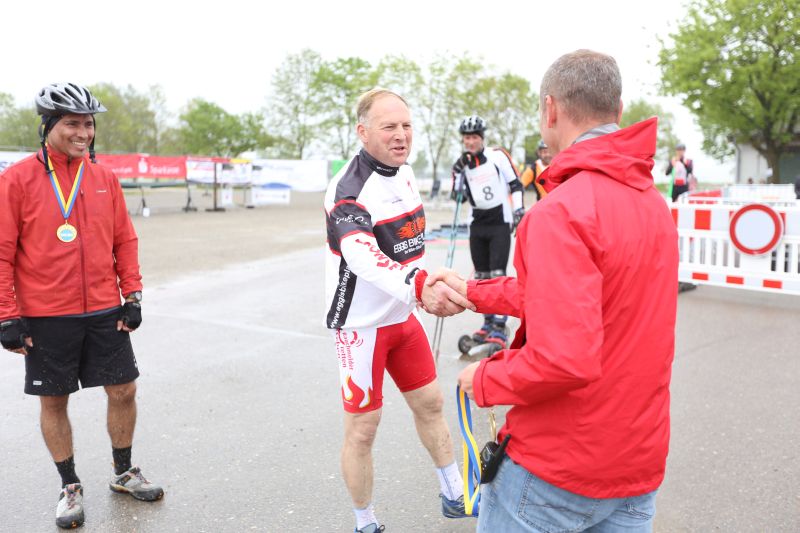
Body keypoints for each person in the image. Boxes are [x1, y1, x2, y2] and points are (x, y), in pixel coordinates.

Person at [426, 50, 679, 531]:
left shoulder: (560, 211)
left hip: (557, 468)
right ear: (618, 110)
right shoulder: (653, 205)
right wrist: (475, 291)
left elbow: (565, 358)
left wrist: (485, 380)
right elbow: (574, 299)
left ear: (550, 110)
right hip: (637, 463)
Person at [0, 83, 163, 530]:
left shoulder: (104, 178)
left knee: (124, 390)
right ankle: (69, 485)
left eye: (88, 124)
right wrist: (7, 315)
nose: (83, 133)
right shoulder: (16, 180)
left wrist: (132, 295)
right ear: (48, 126)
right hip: (46, 314)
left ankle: (123, 472)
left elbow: (124, 240)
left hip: (104, 309)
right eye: (72, 123)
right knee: (54, 400)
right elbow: (2, 253)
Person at [324, 88, 476, 533]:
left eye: (406, 125)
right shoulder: (348, 189)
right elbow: (362, 255)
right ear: (363, 131)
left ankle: (454, 494)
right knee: (363, 428)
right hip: (361, 326)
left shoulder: (404, 172)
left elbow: (409, 246)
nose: (401, 135)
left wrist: (423, 285)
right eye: (389, 126)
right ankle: (364, 522)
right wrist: (419, 285)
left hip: (403, 316)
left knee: (431, 403)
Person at [450, 115, 525, 356]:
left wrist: (519, 211)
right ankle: (488, 323)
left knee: (497, 274)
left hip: (499, 223)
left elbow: (516, 184)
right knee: (481, 277)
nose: (470, 142)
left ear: (481, 138)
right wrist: (458, 173)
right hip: (477, 225)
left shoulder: (497, 156)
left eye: (474, 137)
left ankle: (500, 326)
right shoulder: (462, 164)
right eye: (466, 138)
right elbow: (457, 196)